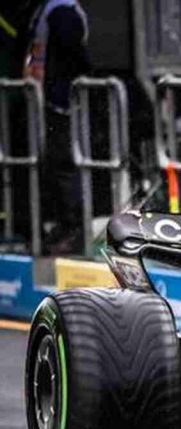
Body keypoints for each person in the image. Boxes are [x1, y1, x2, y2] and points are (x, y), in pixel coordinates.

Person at [23, 0, 90, 254]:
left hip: (59, 102)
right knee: (51, 164)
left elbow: (74, 59)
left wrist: (58, 91)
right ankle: (62, 227)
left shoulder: (62, 10)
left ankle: (74, 231)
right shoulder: (46, 9)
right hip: (45, 100)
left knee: (64, 165)